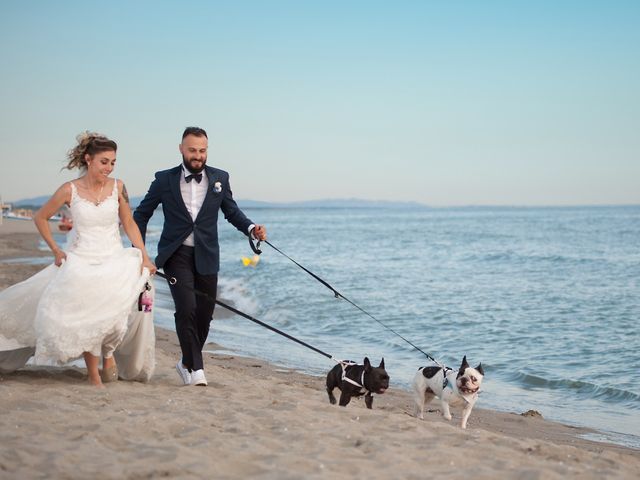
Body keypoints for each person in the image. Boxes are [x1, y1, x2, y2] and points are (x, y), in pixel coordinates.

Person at [0, 132, 157, 387]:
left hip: (113, 256)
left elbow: (128, 222)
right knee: (87, 311)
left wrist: (145, 257)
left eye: (113, 162)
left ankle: (108, 353)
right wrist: (55, 250)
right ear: (88, 159)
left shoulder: (118, 187)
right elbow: (40, 217)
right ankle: (93, 372)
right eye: (104, 161)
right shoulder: (69, 190)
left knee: (118, 310)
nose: (109, 167)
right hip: (81, 259)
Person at [134, 126, 267, 387]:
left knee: (205, 314)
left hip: (207, 254)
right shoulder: (164, 180)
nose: (198, 155)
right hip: (175, 254)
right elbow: (141, 214)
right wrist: (141, 253)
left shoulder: (220, 178)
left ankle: (185, 363)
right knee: (186, 309)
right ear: (181, 149)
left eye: (202, 150)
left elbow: (231, 211)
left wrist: (252, 229)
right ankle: (197, 369)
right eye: (193, 150)